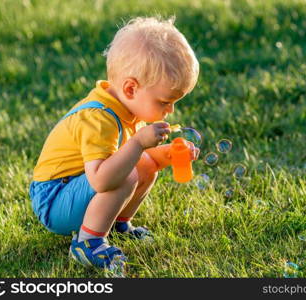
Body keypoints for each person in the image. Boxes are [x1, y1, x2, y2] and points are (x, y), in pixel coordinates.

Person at [29, 16, 200, 270]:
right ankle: (88, 243)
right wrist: (139, 143)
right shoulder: (100, 118)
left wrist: (170, 155)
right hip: (54, 198)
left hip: (75, 186)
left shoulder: (128, 108)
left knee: (143, 166)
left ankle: (117, 224)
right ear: (131, 89)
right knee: (126, 173)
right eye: (165, 102)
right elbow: (101, 180)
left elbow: (146, 159)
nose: (171, 110)